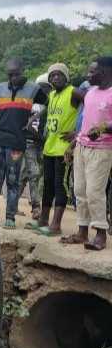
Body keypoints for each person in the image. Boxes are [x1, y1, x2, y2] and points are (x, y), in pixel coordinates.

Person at [27, 64, 85, 236]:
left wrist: (78, 132)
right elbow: (46, 109)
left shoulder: (74, 92)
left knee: (61, 186)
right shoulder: (51, 94)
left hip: (64, 149)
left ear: (66, 77)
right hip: (49, 147)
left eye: (59, 75)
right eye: (52, 76)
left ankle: (56, 225)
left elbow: (91, 107)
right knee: (48, 185)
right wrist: (35, 118)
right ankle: (43, 220)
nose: (55, 78)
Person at [0, 59, 48, 229]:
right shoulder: (0, 88)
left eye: (16, 74)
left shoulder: (33, 89)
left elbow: (46, 103)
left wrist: (32, 119)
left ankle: (10, 217)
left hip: (17, 142)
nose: (13, 78)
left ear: (23, 71)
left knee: (13, 180)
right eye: (10, 74)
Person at [62, 57, 112, 250]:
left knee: (94, 191)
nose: (88, 75)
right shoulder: (90, 93)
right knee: (79, 190)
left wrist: (102, 129)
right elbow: (85, 122)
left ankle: (100, 234)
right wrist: (75, 141)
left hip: (102, 150)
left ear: (106, 72)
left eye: (92, 72)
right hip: (82, 147)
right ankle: (82, 232)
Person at [19, 73, 51, 221]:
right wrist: (42, 138)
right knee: (35, 172)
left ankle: (12, 205)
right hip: (31, 142)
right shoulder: (34, 104)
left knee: (27, 174)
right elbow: (30, 126)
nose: (45, 90)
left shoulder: (50, 103)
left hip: (42, 143)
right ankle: (36, 207)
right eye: (44, 87)